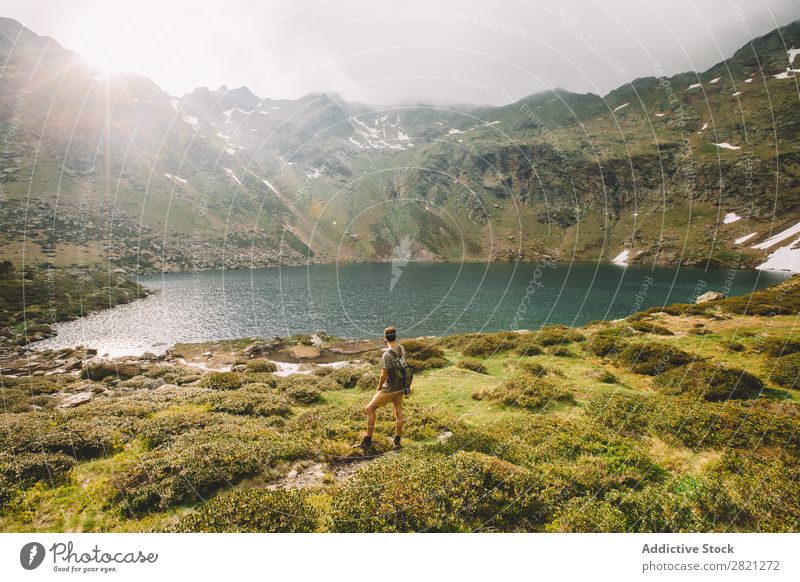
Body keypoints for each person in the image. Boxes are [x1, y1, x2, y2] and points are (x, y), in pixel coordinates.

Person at [353, 325, 406, 450]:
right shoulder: (401, 349)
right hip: (401, 386)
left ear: (385, 338)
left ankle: (368, 440)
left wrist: (379, 386)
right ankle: (397, 439)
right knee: (398, 411)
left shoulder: (387, 354)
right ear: (395, 337)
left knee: (369, 409)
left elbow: (383, 375)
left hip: (390, 387)